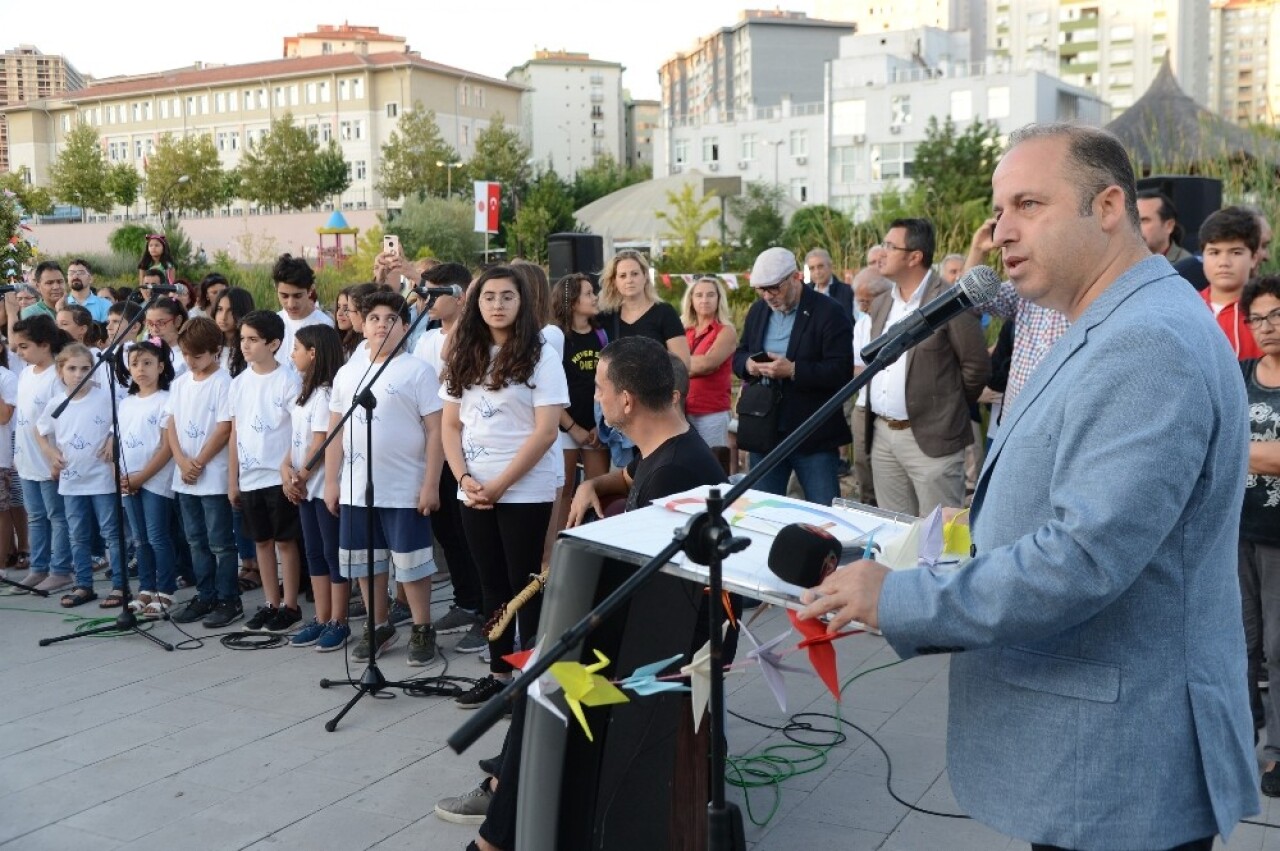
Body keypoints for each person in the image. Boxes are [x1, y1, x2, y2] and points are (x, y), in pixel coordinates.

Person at [802, 123, 1257, 849]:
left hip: (1115, 763)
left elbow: (1083, 557)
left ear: (1107, 207)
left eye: (1028, 204)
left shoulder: (1145, 342)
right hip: (1093, 754)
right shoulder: (1106, 318)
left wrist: (900, 598)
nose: (1000, 231)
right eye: (999, 208)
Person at [436, 335, 729, 849]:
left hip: (671, 647)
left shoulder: (676, 472)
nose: (594, 398)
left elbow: (660, 600)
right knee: (545, 669)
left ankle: (497, 831)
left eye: (599, 388)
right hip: (654, 622)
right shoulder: (667, 448)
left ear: (628, 402)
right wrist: (595, 486)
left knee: (551, 678)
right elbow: (629, 476)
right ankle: (506, 793)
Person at [440, 266, 568, 707]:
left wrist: (499, 485)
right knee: (491, 585)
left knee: (525, 585)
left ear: (522, 302)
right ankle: (498, 676)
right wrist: (464, 478)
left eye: (507, 296)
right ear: (476, 303)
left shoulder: (540, 353)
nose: (497, 304)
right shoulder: (464, 353)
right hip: (472, 490)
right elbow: (450, 425)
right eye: (489, 296)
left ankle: (530, 680)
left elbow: (546, 431)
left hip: (523, 489)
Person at [324, 291, 441, 666]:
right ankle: (378, 624)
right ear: (363, 326)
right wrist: (331, 482)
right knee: (365, 561)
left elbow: (436, 431)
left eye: (390, 319)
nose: (380, 325)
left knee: (410, 561)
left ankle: (422, 627)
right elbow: (335, 432)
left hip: (405, 486)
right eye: (372, 318)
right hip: (357, 488)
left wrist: (431, 483)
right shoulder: (348, 372)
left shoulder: (417, 371)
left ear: (405, 327)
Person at [864, 218, 990, 517]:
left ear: (914, 256)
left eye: (890, 246)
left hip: (933, 441)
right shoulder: (882, 302)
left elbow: (976, 366)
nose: (881, 252)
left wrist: (948, 408)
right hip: (883, 435)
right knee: (895, 536)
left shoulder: (948, 300)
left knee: (938, 542)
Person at [732, 247, 852, 507]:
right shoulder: (758, 311)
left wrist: (795, 370)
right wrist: (749, 365)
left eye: (773, 288)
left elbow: (841, 371)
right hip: (765, 431)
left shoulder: (829, 311)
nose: (768, 296)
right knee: (762, 510)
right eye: (761, 290)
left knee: (824, 513)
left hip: (813, 432)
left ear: (796, 277)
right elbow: (739, 354)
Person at [412, 263, 487, 653]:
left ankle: (487, 612)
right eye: (424, 292)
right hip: (433, 444)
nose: (427, 300)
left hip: (465, 443)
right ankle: (465, 599)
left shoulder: (474, 336)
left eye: (435, 293)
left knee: (471, 532)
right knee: (447, 531)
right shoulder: (422, 337)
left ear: (460, 296)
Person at [228, 310, 304, 634]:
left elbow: (297, 428)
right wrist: (233, 479)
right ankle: (270, 602)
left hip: (278, 475)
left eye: (253, 340)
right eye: (243, 339)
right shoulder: (238, 383)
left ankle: (290, 605)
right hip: (250, 475)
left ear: (273, 344)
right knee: (261, 541)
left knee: (285, 541)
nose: (245, 345)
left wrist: (289, 468)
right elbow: (235, 432)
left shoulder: (288, 380)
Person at [34, 342, 123, 608]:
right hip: (72, 480)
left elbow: (123, 420)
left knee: (111, 532)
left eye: (85, 368)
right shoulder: (57, 402)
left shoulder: (106, 397)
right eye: (72, 369)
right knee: (77, 534)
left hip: (102, 478)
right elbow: (39, 431)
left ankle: (119, 586)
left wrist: (111, 436)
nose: (78, 374)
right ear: (60, 371)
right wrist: (50, 453)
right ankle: (83, 584)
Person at [167, 317, 241, 629]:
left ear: (215, 351)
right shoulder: (180, 382)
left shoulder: (225, 382)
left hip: (212, 476)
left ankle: (228, 598)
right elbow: (170, 422)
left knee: (220, 542)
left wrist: (198, 462)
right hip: (185, 476)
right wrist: (182, 461)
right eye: (186, 355)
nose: (191, 361)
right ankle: (205, 593)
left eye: (197, 355)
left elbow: (225, 427)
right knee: (195, 539)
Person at [1236, 276, 1280, 796]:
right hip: (1235, 530)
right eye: (1258, 319)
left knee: (1278, 645)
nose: (1267, 327)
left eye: (1276, 315)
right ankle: (1240, 731)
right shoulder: (1239, 372)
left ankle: (1277, 752)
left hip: (1276, 538)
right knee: (1239, 641)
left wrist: (1231, 448)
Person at [283, 324, 351, 651]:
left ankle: (339, 619)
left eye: (296, 348)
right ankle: (322, 617)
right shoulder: (304, 392)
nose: (291, 354)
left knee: (332, 552)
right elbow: (295, 441)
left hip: (322, 486)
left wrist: (302, 475)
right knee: (313, 552)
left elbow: (321, 442)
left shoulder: (326, 393)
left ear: (312, 353)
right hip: (304, 486)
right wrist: (287, 469)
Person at [9, 315, 73, 592]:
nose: (18, 353)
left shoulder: (56, 377)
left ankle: (60, 570)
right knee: (35, 515)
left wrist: (56, 456)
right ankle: (39, 567)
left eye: (24, 347)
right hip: (26, 459)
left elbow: (61, 421)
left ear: (44, 344)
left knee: (56, 516)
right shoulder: (25, 374)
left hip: (48, 460)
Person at [116, 337, 178, 618]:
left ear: (161, 366)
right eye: (135, 364)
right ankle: (145, 587)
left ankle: (165, 590)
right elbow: (121, 442)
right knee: (139, 539)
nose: (140, 369)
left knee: (157, 536)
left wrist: (142, 477)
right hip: (130, 480)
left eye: (148, 363)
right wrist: (125, 476)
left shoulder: (166, 400)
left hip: (155, 479)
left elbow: (166, 447)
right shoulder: (126, 403)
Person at [551, 273, 612, 532]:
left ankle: (589, 541)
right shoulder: (557, 337)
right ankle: (554, 551)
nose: (594, 297)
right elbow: (551, 390)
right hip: (565, 425)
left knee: (597, 487)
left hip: (595, 426)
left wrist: (602, 424)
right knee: (563, 491)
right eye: (588, 293)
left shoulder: (601, 335)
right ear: (573, 301)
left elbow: (608, 381)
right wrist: (572, 426)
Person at [596, 249, 690, 369]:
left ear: (645, 276)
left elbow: (683, 364)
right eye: (622, 276)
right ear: (615, 281)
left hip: (657, 385)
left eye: (635, 274)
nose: (629, 280)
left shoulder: (665, 312)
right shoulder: (607, 316)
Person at [680, 275, 737, 469]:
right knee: (686, 467)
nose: (705, 300)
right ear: (691, 299)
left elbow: (708, 364)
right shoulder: (683, 329)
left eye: (711, 295)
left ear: (719, 299)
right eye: (699, 295)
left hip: (711, 412)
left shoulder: (726, 331)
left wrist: (677, 365)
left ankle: (716, 501)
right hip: (681, 410)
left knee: (712, 467)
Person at [849, 267, 892, 506]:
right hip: (864, 404)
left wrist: (873, 370)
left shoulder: (899, 320)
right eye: (858, 301)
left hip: (892, 410)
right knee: (863, 464)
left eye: (866, 301)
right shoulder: (862, 324)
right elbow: (855, 368)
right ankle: (868, 506)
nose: (862, 306)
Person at [1199, 206, 1264, 360]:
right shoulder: (1186, 306)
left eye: (1235, 252)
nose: (1224, 262)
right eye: (1214, 252)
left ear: (1254, 258)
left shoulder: (1268, 311)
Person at [272, 254, 334, 370]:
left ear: (310, 290)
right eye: (284, 296)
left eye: (298, 296)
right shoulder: (272, 322)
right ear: (276, 289)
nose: (291, 304)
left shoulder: (324, 325)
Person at [1137, 189, 1193, 263]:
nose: (1135, 227)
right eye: (1132, 221)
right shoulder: (1123, 262)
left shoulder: (1186, 265)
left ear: (1169, 226)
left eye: (1143, 220)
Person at [145, 296, 188, 380]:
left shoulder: (188, 355)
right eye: (150, 323)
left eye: (161, 323)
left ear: (178, 321)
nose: (154, 330)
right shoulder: (146, 351)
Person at [805, 248, 854, 319]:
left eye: (820, 266)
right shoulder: (805, 293)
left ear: (830, 266)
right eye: (812, 268)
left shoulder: (848, 292)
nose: (817, 272)